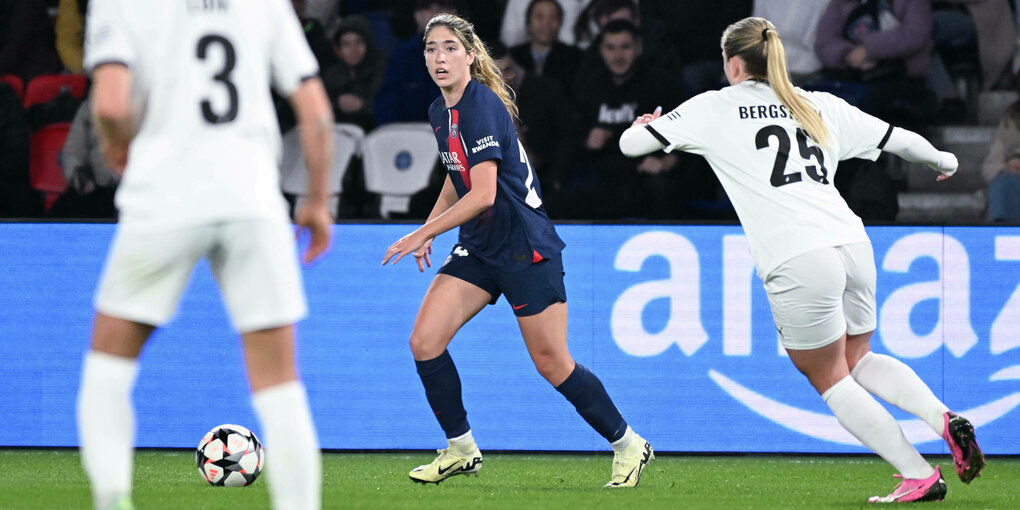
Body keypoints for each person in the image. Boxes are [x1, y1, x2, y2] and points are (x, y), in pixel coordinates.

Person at [619, 17, 984, 503]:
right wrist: (945, 161)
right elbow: (901, 140)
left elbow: (630, 146)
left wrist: (644, 126)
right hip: (851, 243)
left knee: (831, 378)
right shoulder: (817, 104)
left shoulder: (715, 106)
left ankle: (918, 474)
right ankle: (944, 418)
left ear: (732, 63)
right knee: (859, 358)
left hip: (796, 255)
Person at [78, 1, 334, 509]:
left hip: (163, 198)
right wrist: (318, 202)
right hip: (253, 201)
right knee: (280, 386)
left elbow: (109, 106)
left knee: (108, 371)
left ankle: (111, 502)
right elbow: (317, 114)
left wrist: (116, 146)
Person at [381, 13, 653, 488]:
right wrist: (430, 227)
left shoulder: (482, 105)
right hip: (482, 248)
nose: (439, 58)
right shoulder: (438, 111)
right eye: (431, 49)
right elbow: (455, 173)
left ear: (470, 55)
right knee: (424, 341)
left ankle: (629, 444)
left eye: (449, 48)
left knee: (553, 363)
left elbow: (484, 193)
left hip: (525, 248)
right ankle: (461, 449)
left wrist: (423, 235)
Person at [321, 15, 386, 131]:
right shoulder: (333, 73)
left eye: (359, 42)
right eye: (346, 44)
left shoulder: (383, 68)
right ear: (339, 48)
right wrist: (337, 104)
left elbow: (389, 106)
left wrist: (362, 106)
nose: (353, 49)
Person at [508, 0, 583, 97]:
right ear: (529, 22)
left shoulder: (575, 58)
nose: (546, 24)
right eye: (539, 17)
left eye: (553, 18)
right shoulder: (514, 56)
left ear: (560, 23)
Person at [982, 98, 1020, 222]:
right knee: (1003, 184)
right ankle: (1000, 232)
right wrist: (1006, 168)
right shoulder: (1011, 120)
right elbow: (990, 166)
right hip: (1014, 183)